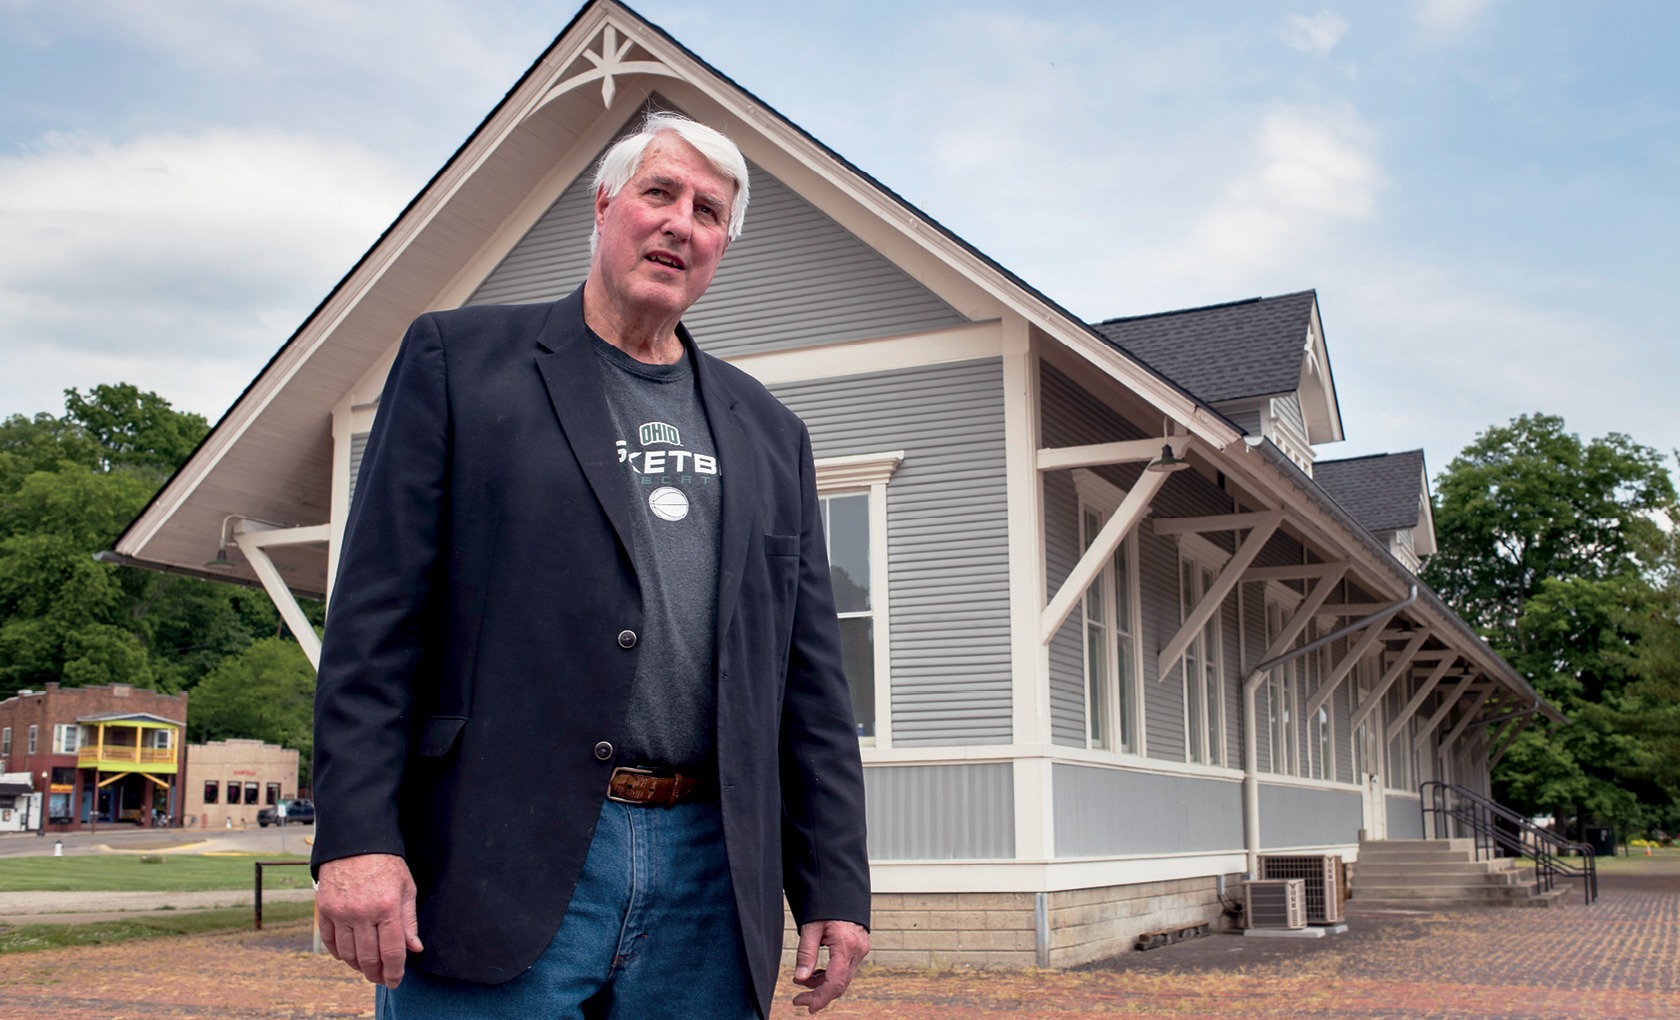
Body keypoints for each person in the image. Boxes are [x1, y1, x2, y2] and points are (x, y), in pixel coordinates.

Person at [310, 111, 871, 1019]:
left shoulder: (772, 433)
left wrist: (835, 886)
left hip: (710, 870)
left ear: (722, 245)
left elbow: (811, 682)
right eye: (660, 193)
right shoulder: (459, 362)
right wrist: (358, 839)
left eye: (709, 211)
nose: (680, 222)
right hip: (499, 852)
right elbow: (375, 626)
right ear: (605, 204)